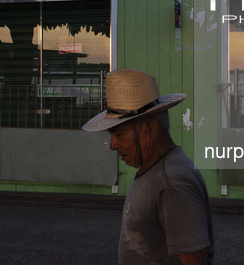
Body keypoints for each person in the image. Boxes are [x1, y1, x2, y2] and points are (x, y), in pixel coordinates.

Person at [83, 68, 214, 265]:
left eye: (119, 135)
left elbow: (196, 260)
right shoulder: (156, 170)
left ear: (148, 127)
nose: (112, 145)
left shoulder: (172, 183)